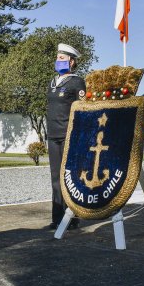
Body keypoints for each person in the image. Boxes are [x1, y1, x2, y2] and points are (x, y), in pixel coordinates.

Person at [45, 43, 86, 230]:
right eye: (57, 57)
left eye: (62, 58)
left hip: (68, 135)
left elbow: (81, 109)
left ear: (71, 61)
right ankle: (57, 218)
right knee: (55, 178)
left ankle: (72, 217)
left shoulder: (76, 82)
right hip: (53, 135)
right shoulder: (52, 83)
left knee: (69, 177)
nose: (58, 61)